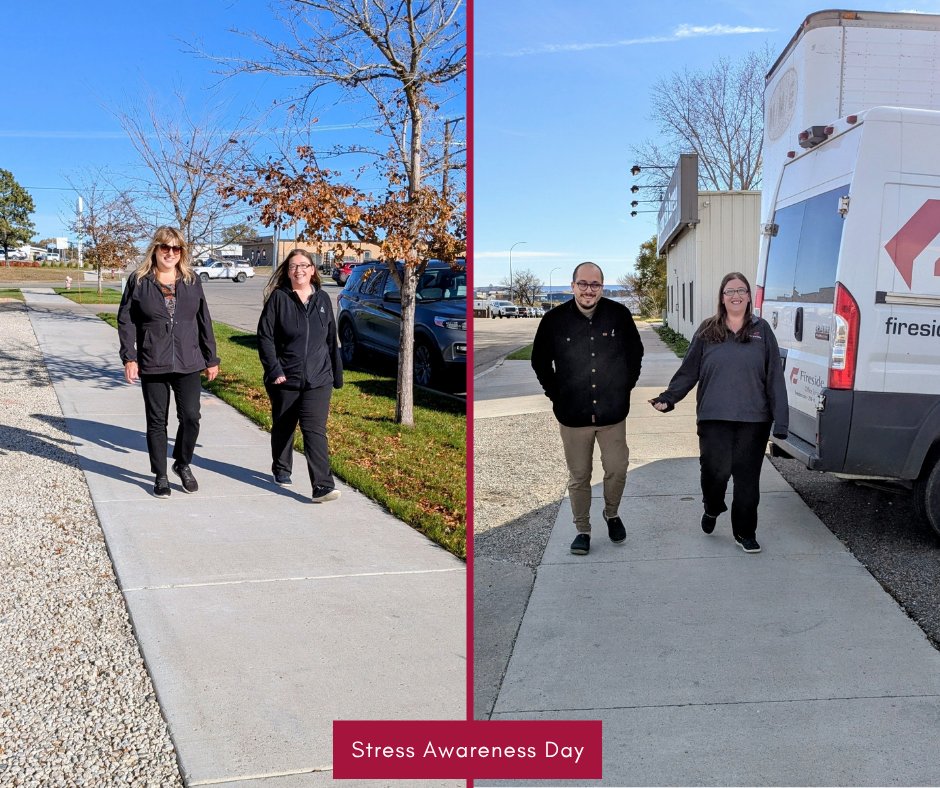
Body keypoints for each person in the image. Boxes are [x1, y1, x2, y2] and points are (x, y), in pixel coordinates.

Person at [649, 272, 788, 554]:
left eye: (741, 290)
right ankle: (712, 507)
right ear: (721, 298)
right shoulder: (707, 330)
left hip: (754, 419)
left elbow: (774, 377)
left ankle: (745, 532)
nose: (735, 296)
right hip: (714, 417)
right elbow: (690, 370)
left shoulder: (762, 331)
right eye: (729, 291)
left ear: (749, 296)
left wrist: (781, 421)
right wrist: (669, 398)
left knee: (747, 480)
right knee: (715, 473)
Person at [531, 261, 645, 555]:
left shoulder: (619, 316)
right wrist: (556, 395)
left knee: (617, 468)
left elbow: (635, 354)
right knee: (579, 475)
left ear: (602, 287)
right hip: (573, 417)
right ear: (573, 286)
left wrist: (623, 388)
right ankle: (582, 529)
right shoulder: (554, 320)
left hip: (612, 414)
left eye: (594, 285)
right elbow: (539, 361)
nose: (588, 290)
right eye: (583, 284)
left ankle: (612, 513)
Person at [118, 227, 220, 498]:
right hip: (154, 360)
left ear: (182, 252)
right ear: (155, 248)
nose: (171, 253)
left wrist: (211, 358)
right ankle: (160, 475)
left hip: (188, 360)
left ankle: (182, 463)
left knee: (191, 416)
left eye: (177, 249)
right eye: (166, 247)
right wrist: (129, 356)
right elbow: (126, 320)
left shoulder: (191, 280)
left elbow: (204, 320)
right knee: (156, 421)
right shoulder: (139, 280)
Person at [257, 249, 343, 503]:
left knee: (314, 429)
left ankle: (322, 486)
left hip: (319, 378)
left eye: (304, 265)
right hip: (285, 377)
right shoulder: (279, 299)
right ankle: (281, 467)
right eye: (294, 266)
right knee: (284, 425)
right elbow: (265, 337)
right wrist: (274, 370)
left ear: (313, 270)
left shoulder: (323, 300)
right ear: (287, 271)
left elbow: (330, 339)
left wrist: (335, 374)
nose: (299, 270)